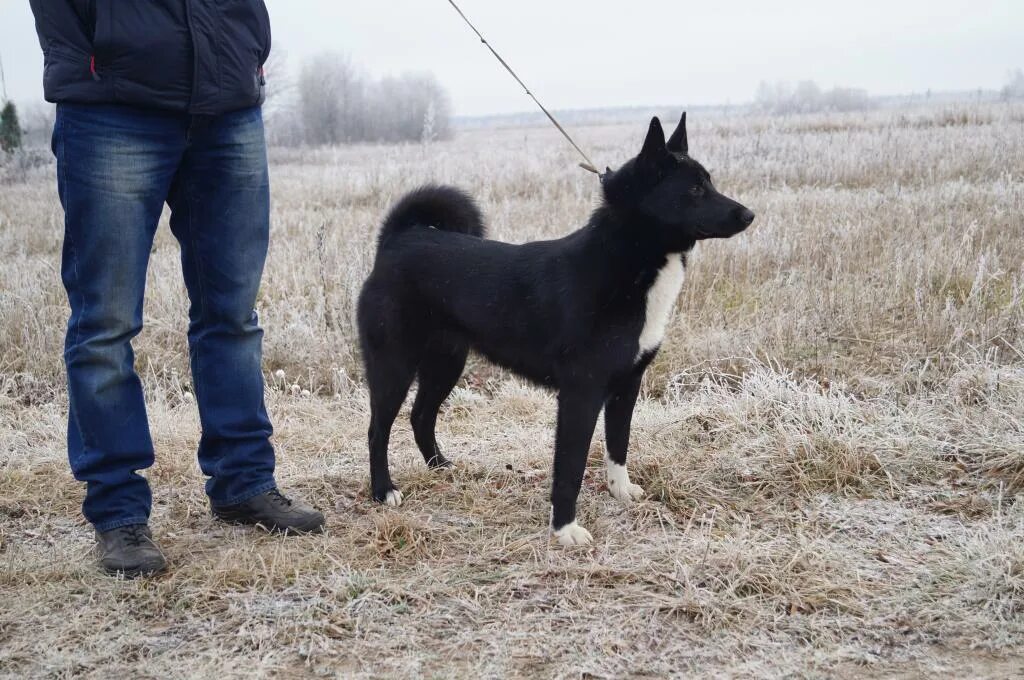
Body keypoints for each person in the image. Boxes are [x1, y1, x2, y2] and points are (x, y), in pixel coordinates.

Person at [29, 0, 325, 577]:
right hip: (111, 101)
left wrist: (248, 53)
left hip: (227, 99)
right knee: (104, 324)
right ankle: (117, 512)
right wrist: (89, 52)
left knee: (232, 314)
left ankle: (244, 482)